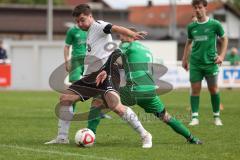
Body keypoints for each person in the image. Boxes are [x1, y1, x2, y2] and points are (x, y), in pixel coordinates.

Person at [46, 4, 152, 148]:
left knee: (116, 106)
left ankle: (145, 135)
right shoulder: (90, 32)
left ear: (90, 16)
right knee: (65, 98)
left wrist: (131, 34)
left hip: (107, 72)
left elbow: (114, 28)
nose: (79, 24)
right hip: (91, 75)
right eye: (77, 21)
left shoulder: (98, 25)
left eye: (82, 20)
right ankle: (62, 138)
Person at [87, 28, 202, 144]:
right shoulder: (146, 49)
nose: (120, 38)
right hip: (150, 92)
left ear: (131, 36)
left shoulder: (127, 45)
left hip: (134, 91)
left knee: (98, 99)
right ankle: (192, 138)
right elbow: (128, 64)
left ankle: (90, 134)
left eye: (122, 35)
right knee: (166, 117)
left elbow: (115, 56)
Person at [182, 0, 228, 126]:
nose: (197, 10)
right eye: (195, 8)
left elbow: (224, 39)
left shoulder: (215, 24)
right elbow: (188, 42)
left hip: (210, 63)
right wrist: (184, 59)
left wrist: (222, 56)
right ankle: (195, 118)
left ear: (205, 8)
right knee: (195, 89)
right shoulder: (191, 26)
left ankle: (217, 117)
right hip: (196, 63)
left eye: (200, 7)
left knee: (213, 89)